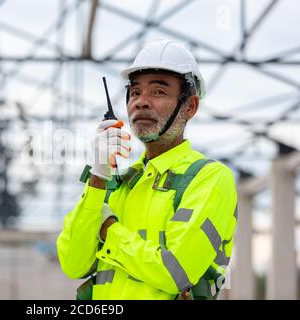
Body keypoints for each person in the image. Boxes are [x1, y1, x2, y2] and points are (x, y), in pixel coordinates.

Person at [57, 39, 238, 300]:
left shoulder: (209, 178)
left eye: (159, 92)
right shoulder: (117, 183)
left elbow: (176, 272)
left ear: (190, 106)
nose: (141, 102)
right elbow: (73, 263)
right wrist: (97, 177)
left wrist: (108, 228)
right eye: (135, 93)